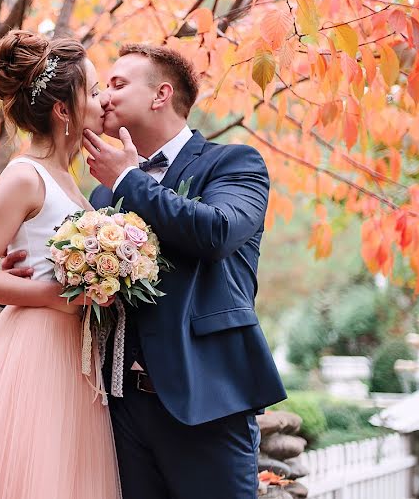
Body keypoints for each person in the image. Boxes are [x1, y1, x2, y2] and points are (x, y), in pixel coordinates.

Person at [80, 43, 287, 499]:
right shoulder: (100, 197)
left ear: (160, 95)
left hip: (206, 401)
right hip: (119, 408)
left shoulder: (234, 163)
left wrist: (128, 180)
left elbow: (216, 233)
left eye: (117, 84)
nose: (104, 98)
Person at [0, 30, 121, 499]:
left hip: (76, 357)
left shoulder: (72, 181)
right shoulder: (24, 175)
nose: (102, 104)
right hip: (36, 352)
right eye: (93, 93)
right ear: (64, 110)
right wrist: (55, 296)